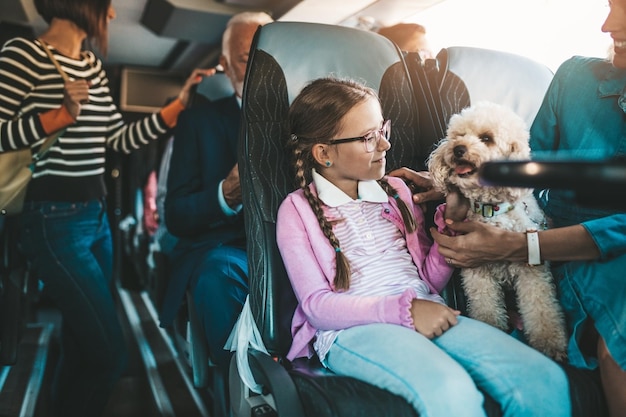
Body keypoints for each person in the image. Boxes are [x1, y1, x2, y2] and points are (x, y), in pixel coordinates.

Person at [277, 76, 571, 417]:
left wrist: (451, 225)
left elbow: (428, 281)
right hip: (352, 330)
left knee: (542, 379)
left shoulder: (397, 192)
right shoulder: (296, 209)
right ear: (324, 153)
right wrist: (405, 311)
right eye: (369, 138)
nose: (385, 146)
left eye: (383, 130)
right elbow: (317, 307)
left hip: (427, 308)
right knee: (450, 391)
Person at [391, 2, 626, 416]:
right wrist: (454, 181)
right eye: (610, 5)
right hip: (568, 258)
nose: (608, 24)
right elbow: (521, 169)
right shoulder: (574, 78)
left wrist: (522, 247)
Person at [0, 0, 212, 415]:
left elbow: (117, 138)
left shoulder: (92, 66)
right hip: (52, 220)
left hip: (96, 219)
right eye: (109, 4)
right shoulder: (21, 55)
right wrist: (59, 115)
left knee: (83, 344)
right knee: (110, 353)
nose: (112, 14)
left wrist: (178, 104)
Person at [159, 11, 274, 371]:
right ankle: (240, 386)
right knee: (219, 273)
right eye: (245, 57)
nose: (258, 66)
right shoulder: (198, 123)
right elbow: (176, 214)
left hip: (296, 243)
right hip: (227, 249)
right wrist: (225, 195)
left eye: (266, 55)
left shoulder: (309, 118)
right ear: (225, 65)